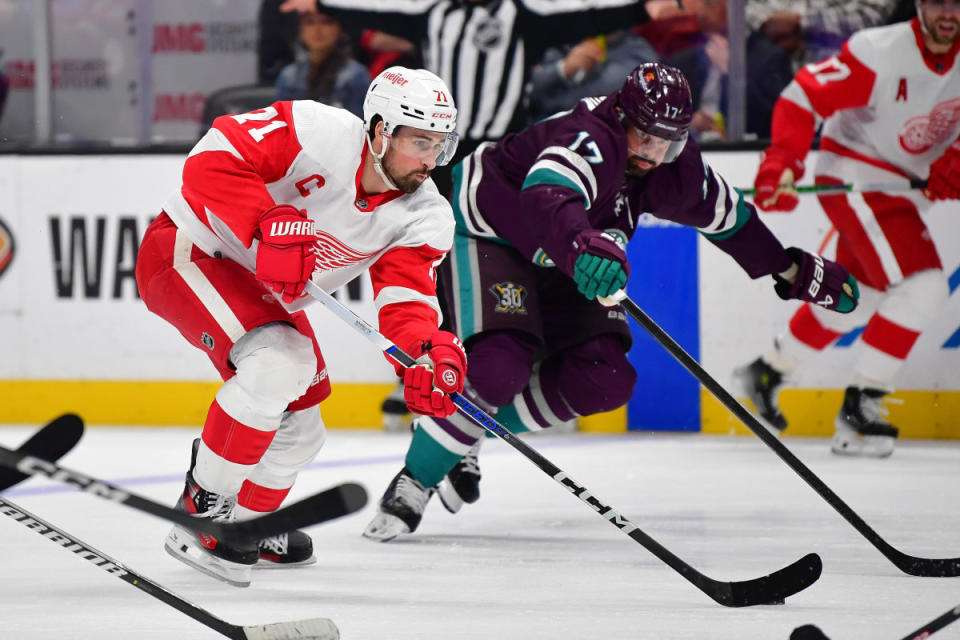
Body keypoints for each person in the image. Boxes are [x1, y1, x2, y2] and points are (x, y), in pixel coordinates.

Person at [362, 61, 861, 542]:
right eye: (644, 136)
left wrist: (791, 270)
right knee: (497, 368)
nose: (652, 152)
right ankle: (417, 478)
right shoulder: (592, 135)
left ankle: (460, 436)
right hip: (491, 232)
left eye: (669, 142)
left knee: (604, 380)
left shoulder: (672, 165)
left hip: (569, 252)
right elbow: (547, 192)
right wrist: (583, 244)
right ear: (621, 116)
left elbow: (731, 218)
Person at [135, 66, 468, 586]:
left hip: (259, 292)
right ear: (380, 130)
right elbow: (210, 159)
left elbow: (406, 299)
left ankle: (245, 528)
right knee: (278, 363)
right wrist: (264, 222)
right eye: (420, 142)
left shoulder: (425, 215)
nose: (431, 160)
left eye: (440, 145)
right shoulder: (318, 131)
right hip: (189, 248)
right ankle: (202, 509)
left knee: (302, 430)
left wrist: (427, 352)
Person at [735, 0, 960, 458]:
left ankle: (769, 371)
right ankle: (861, 409)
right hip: (856, 174)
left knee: (861, 297)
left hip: (906, 191)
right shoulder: (879, 51)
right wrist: (782, 161)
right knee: (925, 288)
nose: (948, 12)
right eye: (937, 0)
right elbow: (804, 95)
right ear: (918, 4)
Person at [274, 11, 369, 118]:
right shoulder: (289, 76)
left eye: (326, 22)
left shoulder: (355, 75)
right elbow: (283, 124)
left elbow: (358, 126)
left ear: (340, 29)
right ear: (301, 29)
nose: (317, 29)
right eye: (310, 22)